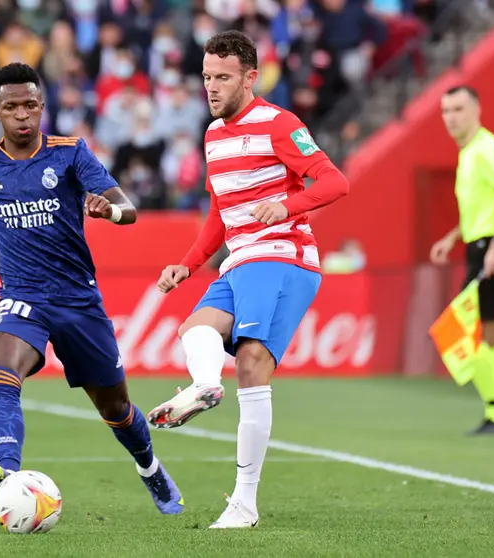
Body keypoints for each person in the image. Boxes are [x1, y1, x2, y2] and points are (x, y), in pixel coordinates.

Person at [0, 63, 183, 517]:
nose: (23, 115)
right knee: (0, 371)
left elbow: (128, 207)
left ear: (42, 107)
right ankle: (7, 476)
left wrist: (109, 212)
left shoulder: (71, 153)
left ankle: (149, 465)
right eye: (12, 108)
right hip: (21, 296)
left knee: (116, 408)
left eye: (31, 106)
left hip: (77, 300)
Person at [147, 31, 349, 528]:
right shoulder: (214, 135)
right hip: (239, 258)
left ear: (250, 78)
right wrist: (188, 264)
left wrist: (287, 204)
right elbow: (221, 210)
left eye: (222, 78)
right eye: (206, 77)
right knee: (195, 330)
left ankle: (242, 503)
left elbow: (334, 181)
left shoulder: (280, 124)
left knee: (251, 364)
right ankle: (204, 387)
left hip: (282, 255)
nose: (211, 87)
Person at [430, 85, 494, 435]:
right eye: (445, 111)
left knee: (469, 332)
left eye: (458, 109)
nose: (451, 117)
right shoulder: (471, 152)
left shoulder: (485, 149)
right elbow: (483, 206)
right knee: (490, 329)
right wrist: (453, 236)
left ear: (476, 110)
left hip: (491, 247)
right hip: (482, 244)